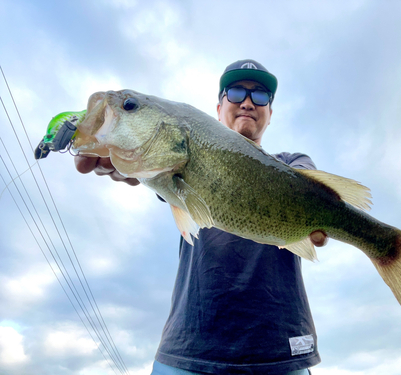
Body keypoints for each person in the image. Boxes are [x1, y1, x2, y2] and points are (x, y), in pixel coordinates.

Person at [75, 59, 326, 374]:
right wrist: (126, 162)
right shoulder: (174, 162)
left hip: (281, 354)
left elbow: (309, 187)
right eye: (235, 92)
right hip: (186, 352)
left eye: (260, 96)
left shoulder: (293, 162)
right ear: (218, 109)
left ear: (270, 114)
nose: (248, 102)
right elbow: (156, 168)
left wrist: (316, 206)